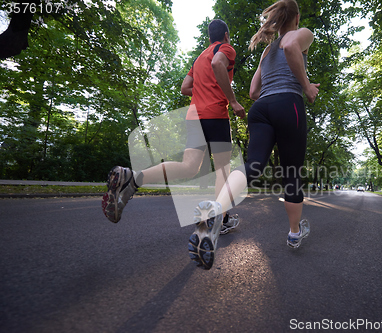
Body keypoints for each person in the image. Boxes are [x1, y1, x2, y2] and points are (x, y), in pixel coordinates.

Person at [190, 0, 319, 270]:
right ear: (296, 18)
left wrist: (273, 97)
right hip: (288, 104)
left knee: (254, 165)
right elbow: (293, 46)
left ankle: (215, 209)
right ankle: (295, 233)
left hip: (261, 109)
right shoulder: (301, 33)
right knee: (292, 172)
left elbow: (252, 92)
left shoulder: (267, 50)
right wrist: (305, 87)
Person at [102, 20, 245, 238]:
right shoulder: (225, 49)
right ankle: (220, 219)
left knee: (189, 167)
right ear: (226, 35)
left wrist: (204, 89)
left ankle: (133, 177)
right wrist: (232, 101)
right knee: (222, 170)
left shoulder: (198, 59)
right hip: (215, 115)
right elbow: (218, 64)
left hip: (194, 116)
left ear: (208, 38)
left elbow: (185, 88)